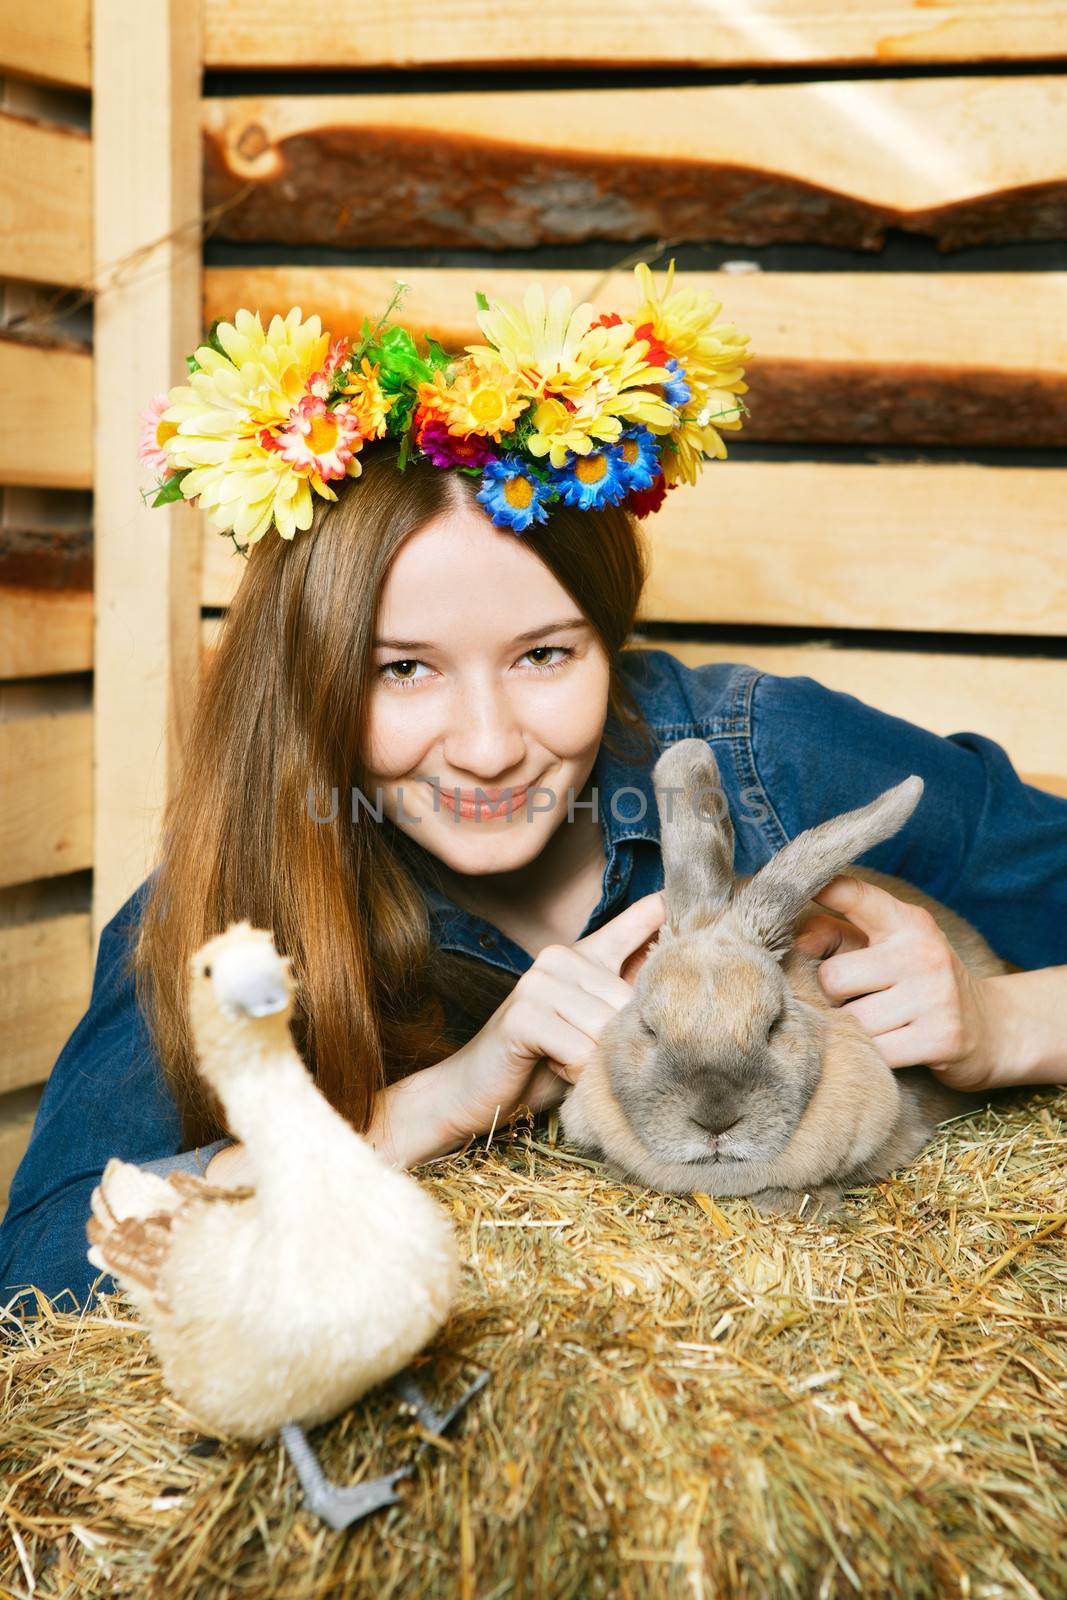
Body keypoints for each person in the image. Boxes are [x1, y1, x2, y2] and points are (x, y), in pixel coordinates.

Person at [3, 275, 1065, 1314]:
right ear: (313, 678)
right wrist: (427, 1108)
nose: (486, 746)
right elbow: (34, 1286)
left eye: (545, 656)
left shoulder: (762, 756)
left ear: (610, 639)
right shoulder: (232, 895)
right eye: (401, 670)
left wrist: (1005, 1019)